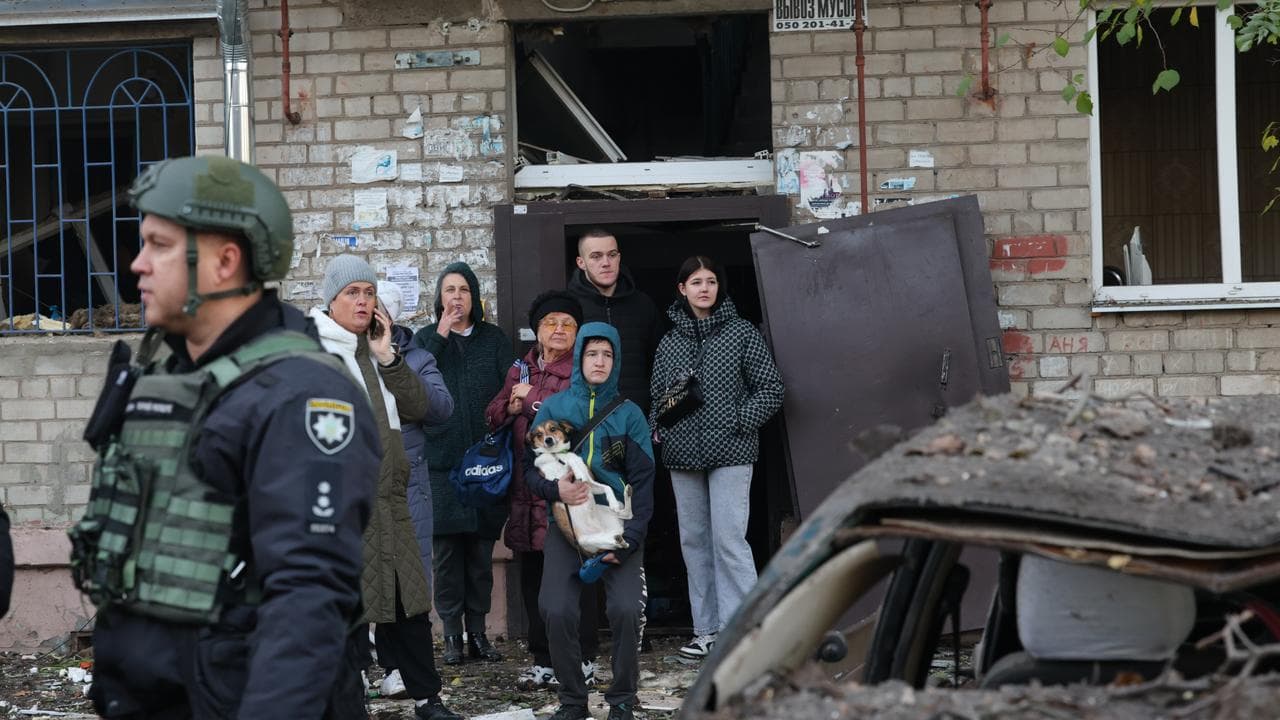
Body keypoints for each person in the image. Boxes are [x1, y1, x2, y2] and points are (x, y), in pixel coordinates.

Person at [69, 156, 379, 718]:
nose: (137, 264)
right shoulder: (170, 374)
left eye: (159, 245)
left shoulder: (301, 394)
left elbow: (307, 602)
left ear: (225, 262)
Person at [308, 256, 461, 720]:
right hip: (343, 508)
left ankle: (426, 700)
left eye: (368, 293)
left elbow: (425, 408)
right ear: (331, 300)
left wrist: (388, 357)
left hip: (394, 503)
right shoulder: (313, 352)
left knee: (408, 606)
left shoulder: (383, 349)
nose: (362, 301)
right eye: (352, 292)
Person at [648, 255, 784, 661]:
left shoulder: (741, 333)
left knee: (729, 540)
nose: (704, 288)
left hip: (732, 451)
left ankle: (744, 632)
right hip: (682, 454)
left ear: (718, 288)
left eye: (710, 281)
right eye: (696, 282)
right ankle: (706, 631)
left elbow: (771, 389)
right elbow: (658, 397)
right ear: (682, 289)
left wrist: (740, 420)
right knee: (694, 543)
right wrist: (662, 426)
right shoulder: (670, 341)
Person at [525, 323, 655, 720]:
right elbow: (529, 473)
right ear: (579, 357)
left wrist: (630, 540)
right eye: (592, 354)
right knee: (556, 608)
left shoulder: (630, 414)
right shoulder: (554, 409)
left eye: (607, 355)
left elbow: (644, 481)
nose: (599, 362)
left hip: (617, 529)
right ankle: (572, 701)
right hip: (567, 528)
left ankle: (621, 700)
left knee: (627, 609)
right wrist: (556, 492)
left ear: (615, 362)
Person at [483, 291, 600, 690]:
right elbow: (494, 411)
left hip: (565, 488)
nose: (559, 330)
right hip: (524, 489)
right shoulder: (522, 367)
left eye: (568, 324)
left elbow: (573, 416)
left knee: (575, 574)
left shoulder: (582, 368)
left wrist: (530, 400)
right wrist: (512, 406)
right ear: (537, 329)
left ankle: (583, 657)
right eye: (551, 322)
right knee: (533, 573)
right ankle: (544, 659)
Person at [411, 261, 513, 664]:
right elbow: (415, 380)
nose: (456, 297)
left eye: (464, 290)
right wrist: (440, 334)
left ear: (475, 298)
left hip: (484, 464)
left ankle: (479, 635)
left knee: (480, 556)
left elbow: (508, 385)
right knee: (447, 556)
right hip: (440, 464)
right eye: (449, 290)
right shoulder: (424, 339)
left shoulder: (493, 339)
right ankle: (451, 636)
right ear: (439, 298)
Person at [371, 280, 455, 700]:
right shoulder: (340, 356)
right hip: (361, 482)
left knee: (408, 582)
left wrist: (390, 360)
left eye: (379, 308)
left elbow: (440, 409)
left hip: (407, 486)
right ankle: (380, 666)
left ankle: (412, 676)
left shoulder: (417, 358)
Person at [566, 228, 661, 416]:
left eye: (612, 254)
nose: (606, 263)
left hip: (637, 416)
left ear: (619, 257)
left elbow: (659, 364)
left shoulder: (643, 304)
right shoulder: (569, 307)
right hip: (585, 417)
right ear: (581, 262)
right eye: (596, 256)